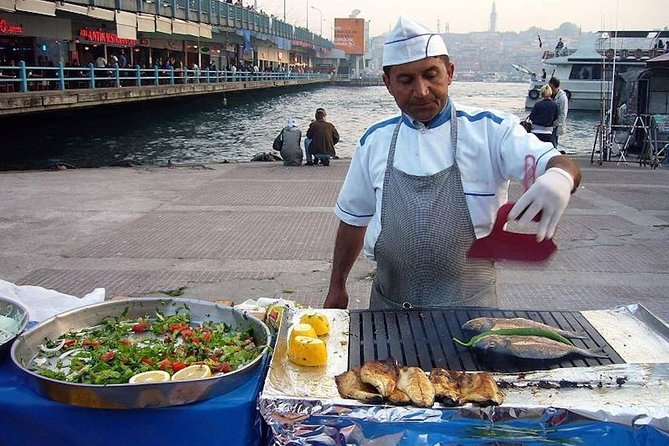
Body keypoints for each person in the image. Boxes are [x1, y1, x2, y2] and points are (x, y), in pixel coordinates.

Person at [323, 16, 581, 310]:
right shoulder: (374, 141)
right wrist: (337, 287)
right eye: (405, 80)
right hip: (389, 307)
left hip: (472, 308)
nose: (421, 91)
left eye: (431, 75)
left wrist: (560, 177)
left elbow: (559, 162)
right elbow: (353, 220)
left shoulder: (492, 131)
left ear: (450, 72)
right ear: (388, 84)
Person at [549, 76, 568, 154]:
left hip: (556, 124)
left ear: (552, 85)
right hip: (550, 123)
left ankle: (554, 154)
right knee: (551, 141)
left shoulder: (562, 98)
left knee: (553, 141)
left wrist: (555, 123)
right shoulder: (551, 95)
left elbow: (563, 113)